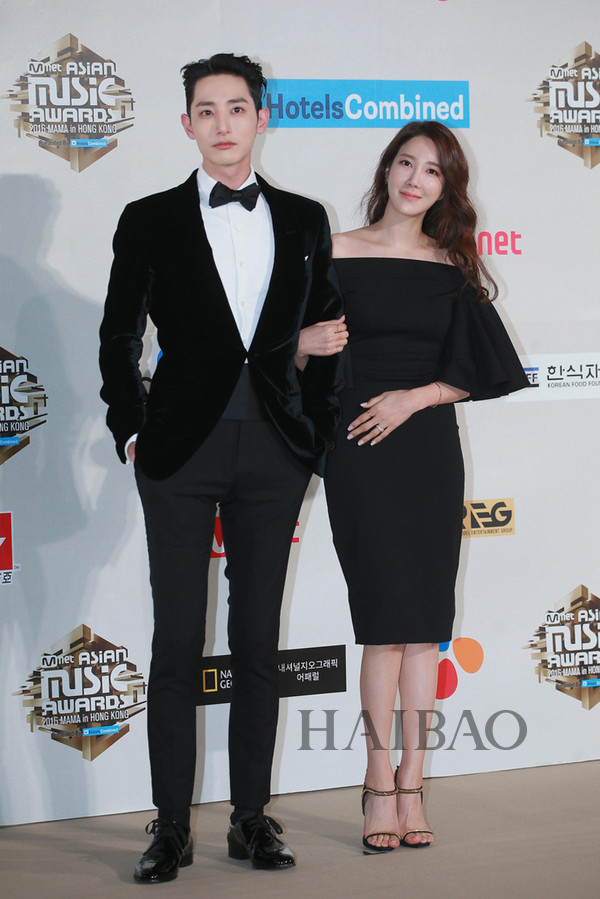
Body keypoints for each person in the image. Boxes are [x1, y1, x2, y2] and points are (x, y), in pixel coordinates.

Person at [99, 53, 346, 883]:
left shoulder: (305, 218)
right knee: (176, 639)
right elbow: (118, 336)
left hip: (275, 453)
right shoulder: (148, 218)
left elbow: (329, 334)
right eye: (206, 110)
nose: (223, 123)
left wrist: (315, 434)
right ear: (187, 124)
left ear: (261, 116)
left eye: (237, 107)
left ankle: (250, 818)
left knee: (257, 643)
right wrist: (131, 430)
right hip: (178, 453)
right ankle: (170, 825)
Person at [298, 121, 528, 854]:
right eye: (406, 162)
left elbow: (483, 367)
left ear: (445, 189)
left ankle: (412, 783)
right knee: (383, 623)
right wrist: (303, 346)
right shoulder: (333, 251)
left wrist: (414, 398)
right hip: (359, 447)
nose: (414, 179)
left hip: (426, 448)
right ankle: (376, 784)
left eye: (432, 171)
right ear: (387, 169)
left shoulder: (451, 264)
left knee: (424, 625)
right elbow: (289, 357)